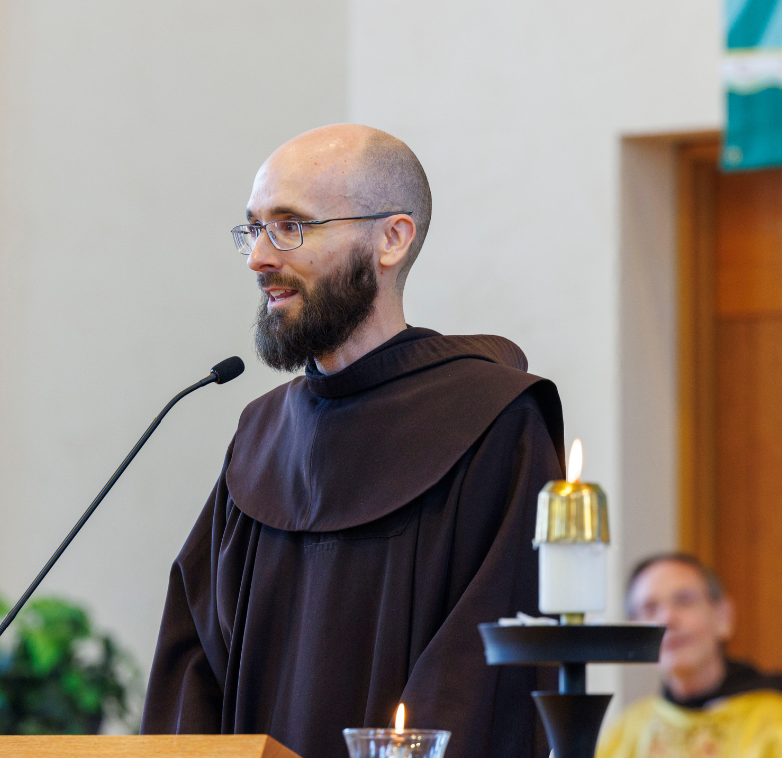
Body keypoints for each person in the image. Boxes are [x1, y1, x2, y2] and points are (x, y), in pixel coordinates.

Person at [139, 124, 566, 758]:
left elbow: (483, 675)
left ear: (391, 238)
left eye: (291, 226)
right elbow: (194, 664)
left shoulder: (492, 421)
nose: (260, 257)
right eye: (253, 228)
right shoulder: (261, 437)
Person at [597, 554, 782, 758]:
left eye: (684, 601)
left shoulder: (781, 728)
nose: (666, 619)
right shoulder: (623, 735)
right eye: (649, 608)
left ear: (722, 616)